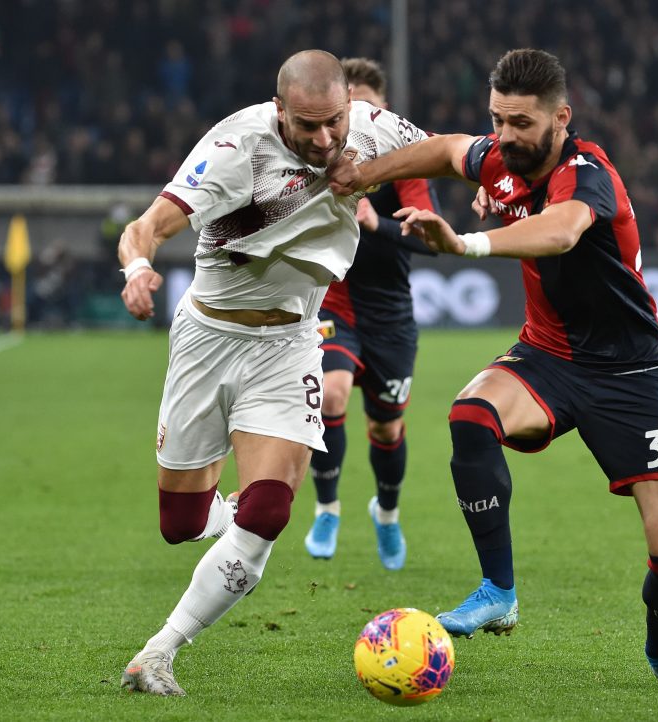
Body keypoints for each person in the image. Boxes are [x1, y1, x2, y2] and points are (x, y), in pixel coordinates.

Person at [329, 48, 658, 691]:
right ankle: (499, 590)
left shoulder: (587, 173)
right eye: (498, 120)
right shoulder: (500, 159)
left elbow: (561, 231)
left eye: (521, 123)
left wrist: (465, 243)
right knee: (470, 415)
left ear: (561, 119)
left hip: (636, 375)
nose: (505, 136)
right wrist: (362, 175)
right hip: (550, 355)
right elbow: (445, 150)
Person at [117, 49, 428, 697]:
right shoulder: (235, 149)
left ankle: (159, 652)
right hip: (208, 339)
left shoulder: (369, 127)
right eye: (309, 125)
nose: (326, 139)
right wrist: (138, 269)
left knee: (269, 509)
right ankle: (218, 509)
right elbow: (144, 228)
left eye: (335, 122)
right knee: (180, 525)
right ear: (280, 110)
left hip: (289, 343)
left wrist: (489, 179)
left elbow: (449, 149)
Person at [303, 57, 440, 571]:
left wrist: (376, 222)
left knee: (386, 429)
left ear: (385, 112)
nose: (359, 119)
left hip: (391, 318)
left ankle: (386, 513)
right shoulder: (317, 160)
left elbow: (430, 238)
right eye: (349, 110)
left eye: (369, 108)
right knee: (331, 393)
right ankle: (327, 510)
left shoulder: (405, 161)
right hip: (334, 305)